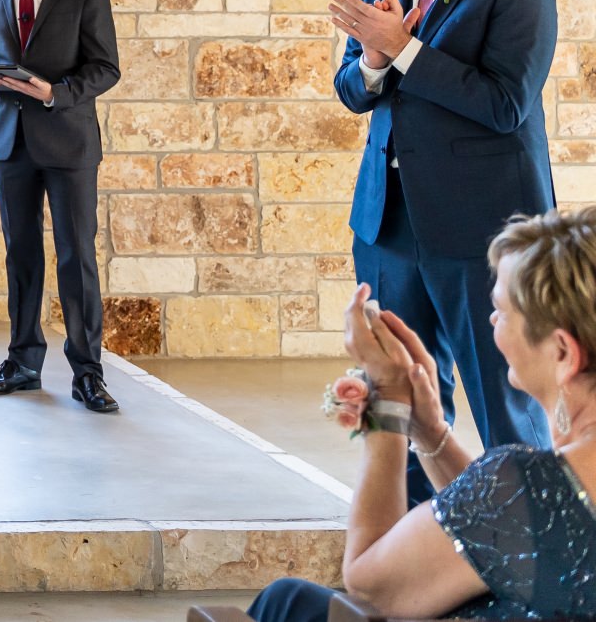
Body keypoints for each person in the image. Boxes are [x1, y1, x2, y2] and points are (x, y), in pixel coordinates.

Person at [248, 207, 596, 621]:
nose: (491, 320)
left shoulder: (531, 485)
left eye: (502, 311)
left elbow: (371, 591)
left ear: (563, 352)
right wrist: (430, 433)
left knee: (288, 602)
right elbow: (515, 527)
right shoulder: (531, 495)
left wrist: (388, 408)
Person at [331, 0, 555, 467]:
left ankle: (527, 526)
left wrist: (405, 49)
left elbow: (505, 104)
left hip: (482, 227)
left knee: (505, 401)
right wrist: (375, 60)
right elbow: (352, 90)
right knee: (398, 397)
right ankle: (411, 528)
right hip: (388, 224)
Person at [0, 0, 123, 414]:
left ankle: (88, 374)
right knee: (21, 254)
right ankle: (22, 363)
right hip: (10, 141)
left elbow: (105, 68)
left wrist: (55, 92)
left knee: (77, 257)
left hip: (69, 142)